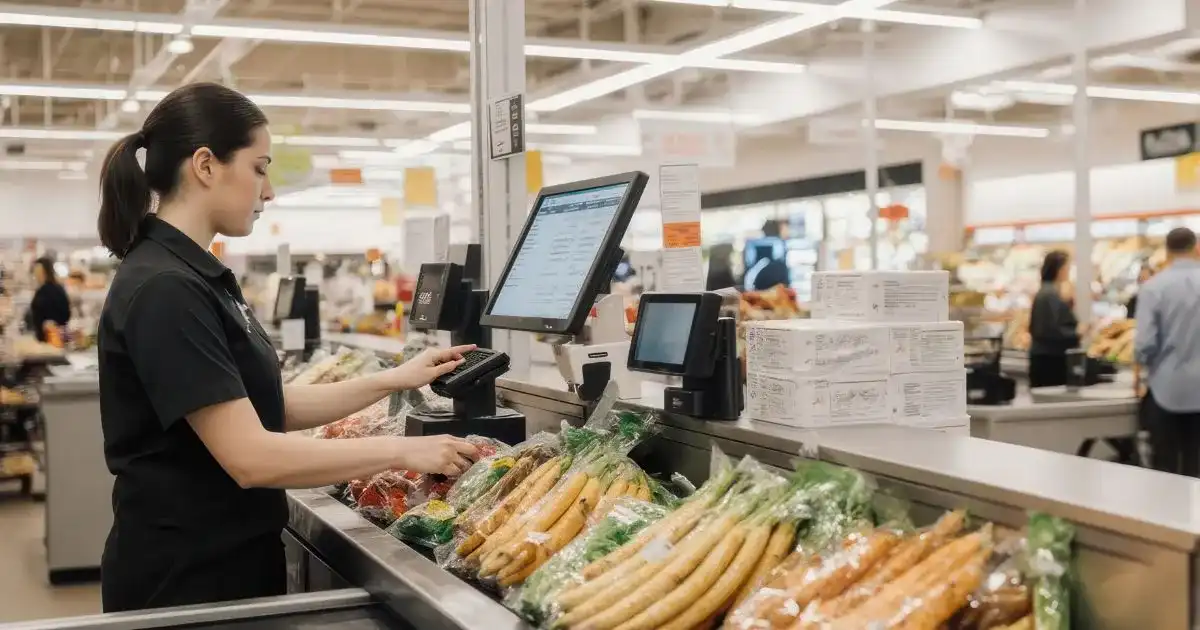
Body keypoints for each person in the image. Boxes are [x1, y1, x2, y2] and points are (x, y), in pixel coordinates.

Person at [96, 83, 479, 613]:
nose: (269, 191)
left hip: (220, 563)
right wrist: (403, 450)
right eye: (259, 168)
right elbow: (251, 457)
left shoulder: (193, 275)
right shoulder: (166, 288)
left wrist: (394, 379)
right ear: (205, 165)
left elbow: (267, 405)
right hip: (187, 583)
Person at [1135, 227, 1200, 476]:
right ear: (1196, 247)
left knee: (1166, 472)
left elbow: (1145, 344)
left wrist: (1141, 371)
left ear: (1167, 251)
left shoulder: (1153, 288)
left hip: (1166, 390)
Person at [1027, 250, 1082, 388]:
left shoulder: (1047, 292)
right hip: (1050, 360)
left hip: (1045, 358)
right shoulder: (1049, 295)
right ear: (1060, 269)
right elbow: (1050, 329)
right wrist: (1077, 333)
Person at [25, 257, 70, 342]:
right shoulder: (42, 290)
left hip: (51, 338)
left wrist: (52, 324)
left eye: (38, 271)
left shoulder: (52, 290)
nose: (36, 274)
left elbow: (64, 313)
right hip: (44, 337)